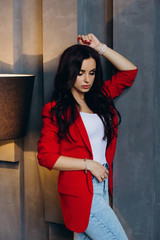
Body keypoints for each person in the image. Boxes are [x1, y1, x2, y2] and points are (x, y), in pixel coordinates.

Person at [37, 33, 138, 240]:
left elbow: (130, 71)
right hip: (80, 189)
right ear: (69, 73)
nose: (87, 79)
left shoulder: (100, 98)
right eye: (80, 72)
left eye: (92, 73)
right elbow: (46, 157)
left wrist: (100, 48)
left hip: (101, 183)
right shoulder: (55, 110)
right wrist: (88, 164)